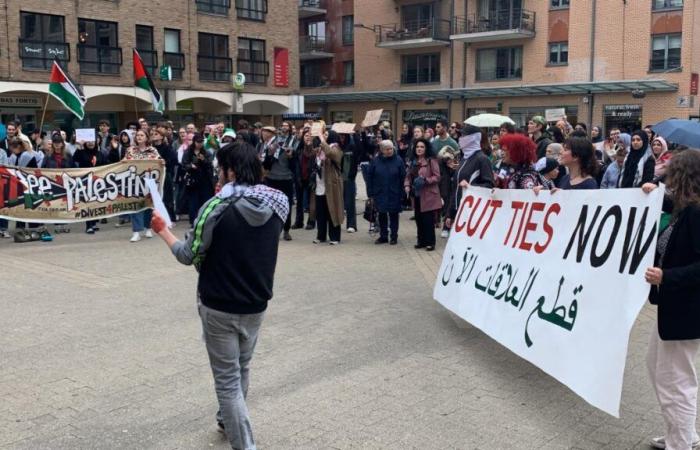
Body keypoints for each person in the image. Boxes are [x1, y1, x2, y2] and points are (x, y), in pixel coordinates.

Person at [151, 141, 288, 450]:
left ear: (230, 171)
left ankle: (245, 444)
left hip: (219, 304)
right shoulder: (279, 201)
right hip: (256, 301)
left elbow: (188, 254)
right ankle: (228, 420)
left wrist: (163, 230)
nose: (218, 174)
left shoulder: (215, 207)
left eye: (221, 169)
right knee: (242, 366)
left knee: (227, 382)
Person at [642, 149, 700, 450]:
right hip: (673, 309)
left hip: (686, 311)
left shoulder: (695, 213)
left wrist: (667, 277)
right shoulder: (684, 207)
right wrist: (651, 191)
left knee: (677, 382)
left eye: (671, 170)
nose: (666, 173)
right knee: (657, 367)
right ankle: (682, 434)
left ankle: (682, 443)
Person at [446, 125, 495, 227]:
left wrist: (471, 187)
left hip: (473, 214)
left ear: (473, 137)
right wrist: (450, 214)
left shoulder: (482, 159)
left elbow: (489, 185)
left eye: (463, 135)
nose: (460, 138)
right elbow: (455, 189)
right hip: (458, 211)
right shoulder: (464, 158)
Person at [123, 129, 161, 242]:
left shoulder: (152, 150)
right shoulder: (130, 150)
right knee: (135, 206)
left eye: (142, 135)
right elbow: (124, 163)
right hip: (134, 182)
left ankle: (148, 228)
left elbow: (158, 161)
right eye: (137, 135)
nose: (139, 137)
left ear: (146, 137)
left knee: (148, 205)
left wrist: (161, 162)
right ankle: (136, 232)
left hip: (149, 182)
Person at [404, 138, 441, 251]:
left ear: (426, 149)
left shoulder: (431, 161)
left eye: (422, 147)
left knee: (428, 220)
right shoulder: (413, 161)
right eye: (417, 147)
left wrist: (426, 180)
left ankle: (430, 242)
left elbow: (437, 177)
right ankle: (421, 241)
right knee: (419, 219)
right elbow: (408, 176)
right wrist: (407, 185)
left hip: (428, 194)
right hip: (416, 194)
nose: (419, 149)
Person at [367, 139, 405, 245]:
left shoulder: (398, 160)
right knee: (382, 214)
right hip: (380, 192)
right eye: (387, 149)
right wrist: (370, 193)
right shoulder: (375, 161)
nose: (389, 151)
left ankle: (394, 236)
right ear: (381, 150)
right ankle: (383, 236)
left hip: (394, 192)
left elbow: (403, 176)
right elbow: (370, 177)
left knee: (394, 215)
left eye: (391, 148)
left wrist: (402, 192)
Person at [311, 131, 344, 245]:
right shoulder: (320, 149)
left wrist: (322, 140)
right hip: (320, 185)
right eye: (323, 134)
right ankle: (321, 236)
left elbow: (331, 154)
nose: (323, 136)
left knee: (332, 211)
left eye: (326, 134)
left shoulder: (336, 148)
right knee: (320, 213)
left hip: (332, 185)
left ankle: (335, 237)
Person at [262, 126, 295, 241]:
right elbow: (265, 165)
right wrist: (270, 154)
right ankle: (274, 229)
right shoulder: (268, 146)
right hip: (271, 179)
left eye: (283, 136)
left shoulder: (289, 146)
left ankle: (286, 230)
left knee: (287, 205)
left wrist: (290, 156)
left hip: (286, 179)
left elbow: (294, 165)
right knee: (271, 205)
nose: (281, 139)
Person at [73, 138, 106, 234]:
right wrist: (79, 148)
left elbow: (106, 165)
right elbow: (74, 159)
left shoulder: (100, 153)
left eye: (93, 141)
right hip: (85, 182)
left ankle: (94, 222)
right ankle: (89, 225)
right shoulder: (81, 152)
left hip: (98, 182)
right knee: (87, 203)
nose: (91, 143)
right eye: (88, 141)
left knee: (95, 203)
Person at [183, 133, 216, 228]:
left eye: (201, 142)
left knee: (205, 201)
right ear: (194, 142)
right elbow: (184, 164)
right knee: (193, 202)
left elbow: (210, 165)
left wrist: (204, 160)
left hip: (205, 181)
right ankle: (193, 221)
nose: (200, 144)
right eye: (198, 142)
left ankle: (205, 221)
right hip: (193, 181)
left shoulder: (206, 152)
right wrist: (190, 166)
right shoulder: (188, 152)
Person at [292, 131, 316, 230]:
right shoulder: (299, 150)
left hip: (311, 178)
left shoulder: (315, 150)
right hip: (300, 178)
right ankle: (299, 222)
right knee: (300, 202)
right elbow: (295, 165)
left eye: (310, 136)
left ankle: (311, 222)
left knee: (312, 202)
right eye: (306, 135)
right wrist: (297, 177)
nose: (308, 137)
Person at [339, 132, 361, 234]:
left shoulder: (352, 146)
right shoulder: (336, 146)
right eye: (340, 135)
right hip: (337, 177)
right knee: (338, 202)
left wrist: (355, 135)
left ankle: (351, 225)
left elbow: (358, 153)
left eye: (343, 135)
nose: (342, 137)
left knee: (350, 202)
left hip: (349, 177)